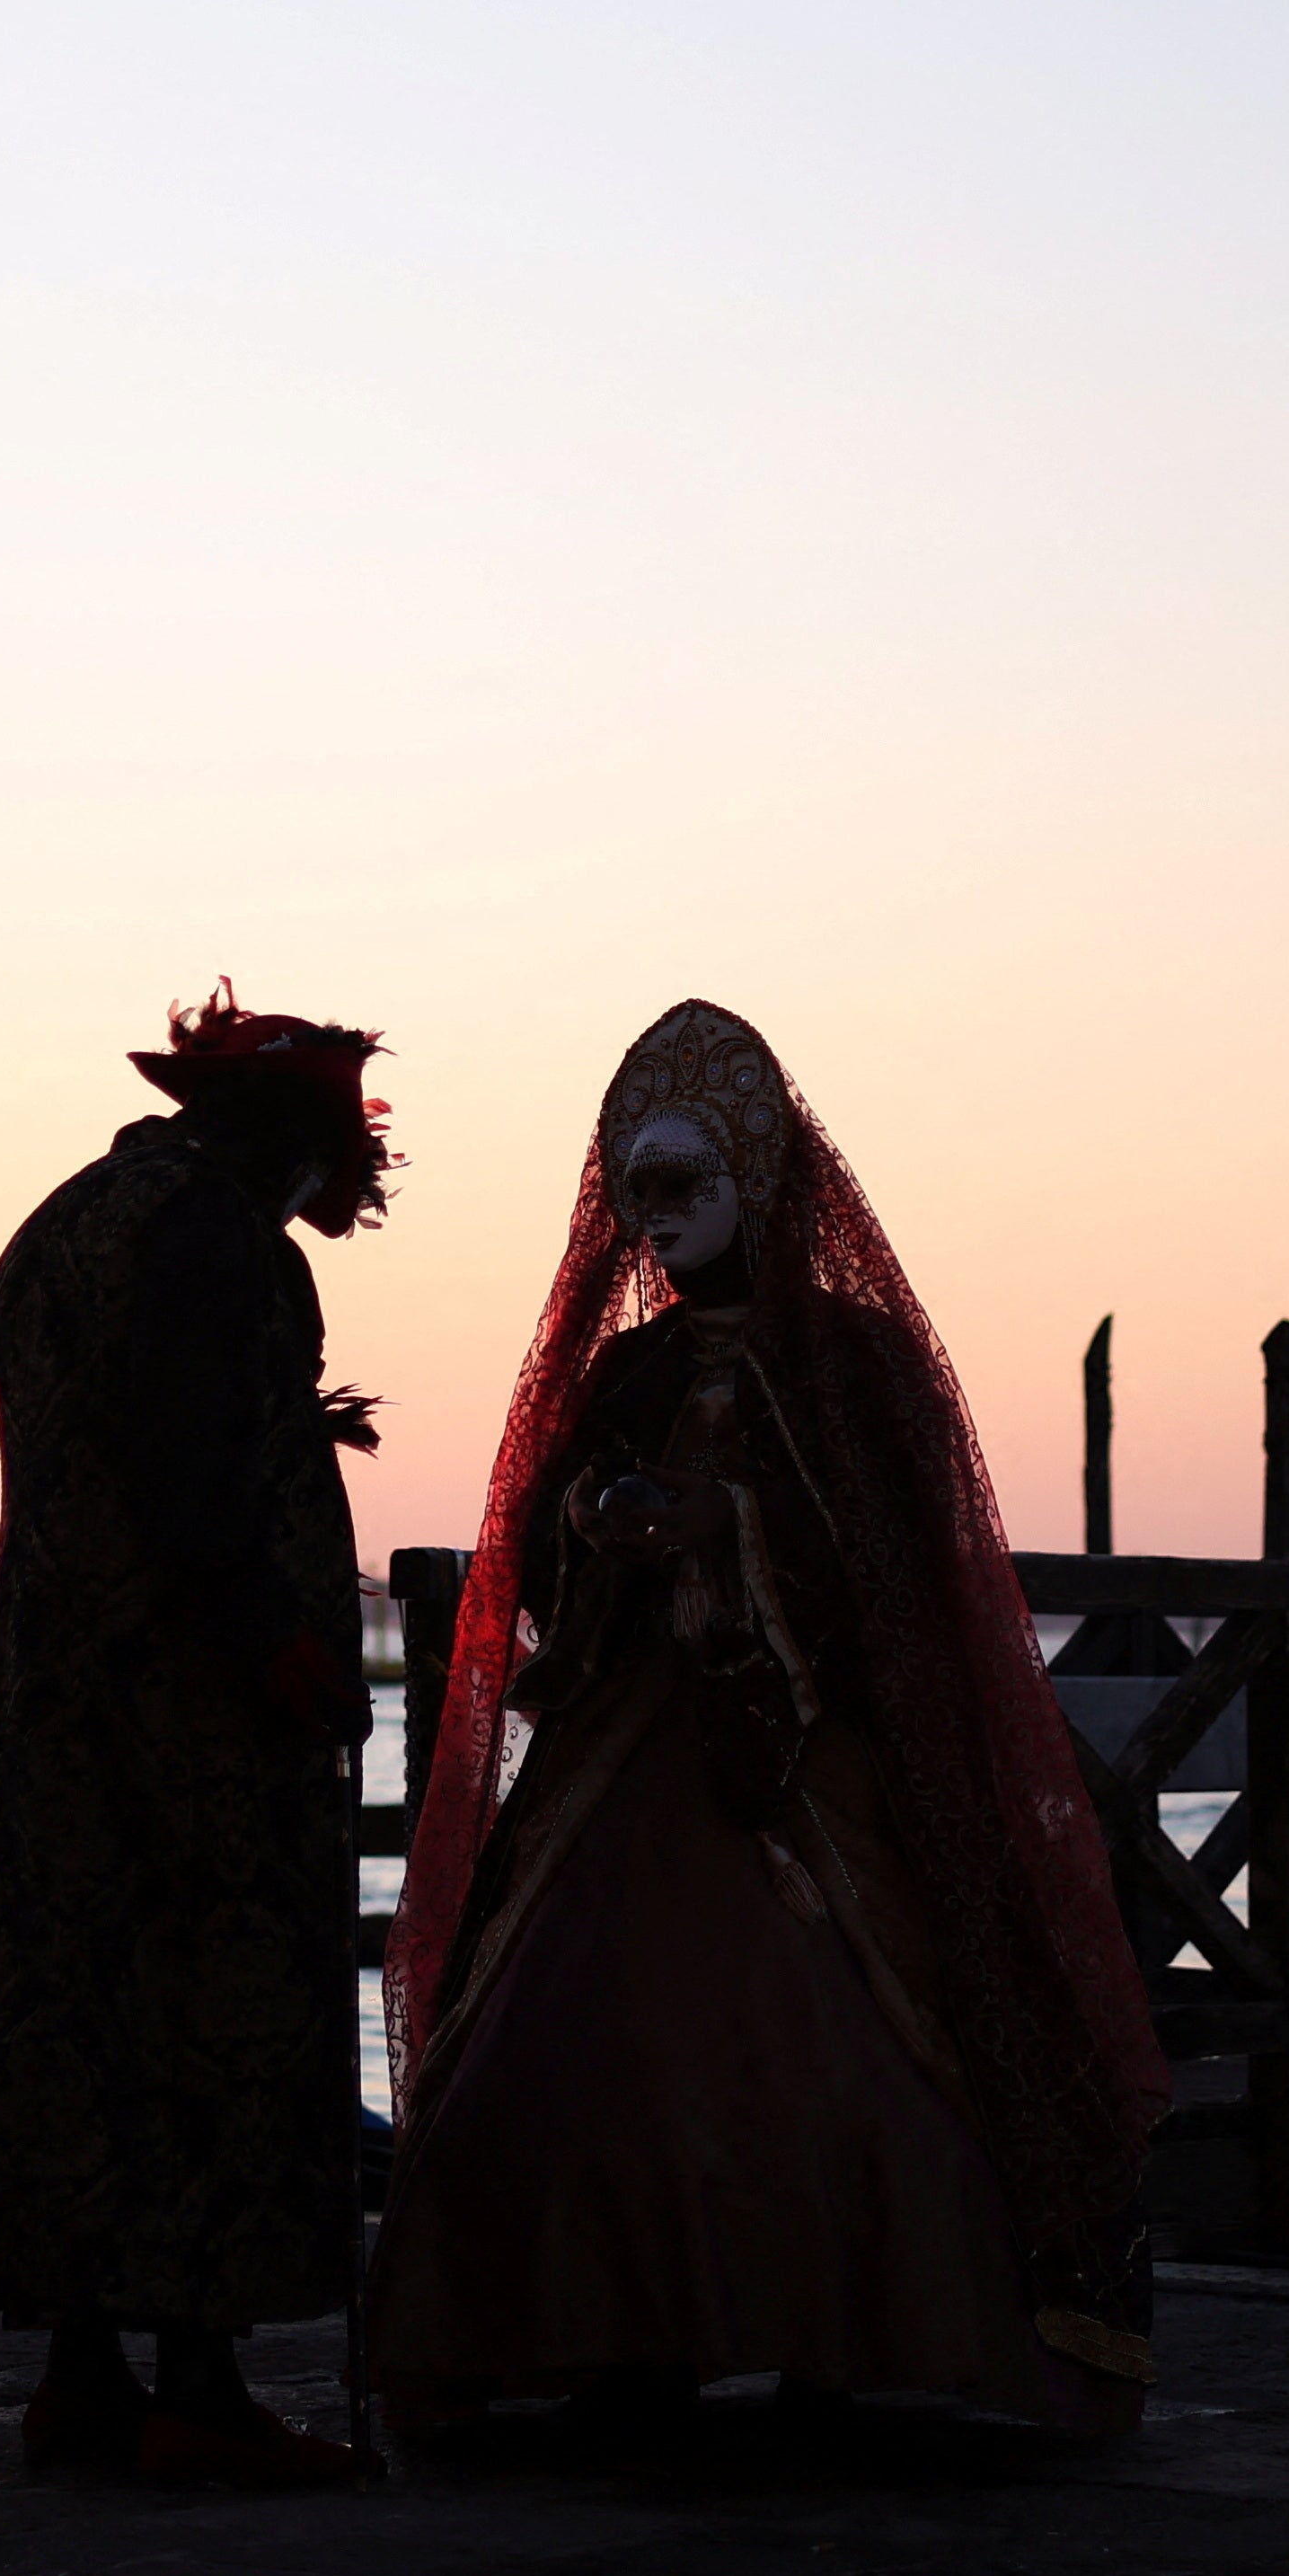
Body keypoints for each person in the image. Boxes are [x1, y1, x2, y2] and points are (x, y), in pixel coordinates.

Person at [372, 998, 1174, 2436]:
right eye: (633, 1189)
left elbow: (893, 1563)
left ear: (755, 1180)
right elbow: (554, 1555)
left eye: (681, 1183)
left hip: (806, 1762)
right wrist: (596, 1517)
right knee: (550, 2042)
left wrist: (727, 1523)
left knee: (841, 2053)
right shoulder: (628, 1370)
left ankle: (840, 2335)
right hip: (623, 1753)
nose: (652, 1218)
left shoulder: (853, 1363)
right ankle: (618, 2342)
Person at [0, 985, 390, 2484]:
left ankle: (82, 2373)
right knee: (220, 2013)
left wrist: (280, 1423)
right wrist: (281, 1648)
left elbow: (124, 1415)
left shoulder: (68, 1219)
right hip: (194, 1722)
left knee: (73, 2012)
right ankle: (201, 2388)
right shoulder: (216, 1239)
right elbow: (179, 1465)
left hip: (57, 1708)